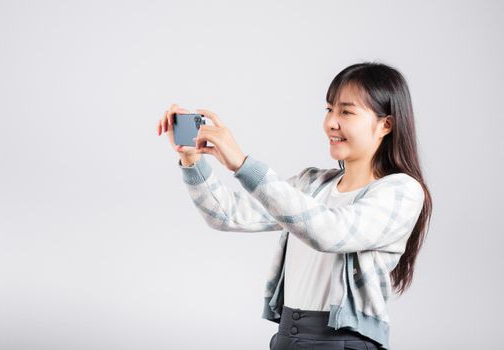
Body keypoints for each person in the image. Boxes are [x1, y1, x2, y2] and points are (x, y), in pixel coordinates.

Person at [157, 61, 432, 350]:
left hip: (344, 342)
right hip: (288, 336)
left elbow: (329, 231)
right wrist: (191, 160)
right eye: (329, 110)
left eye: (346, 111)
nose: (331, 123)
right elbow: (226, 215)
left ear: (385, 125)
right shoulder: (312, 185)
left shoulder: (402, 191)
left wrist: (242, 164)